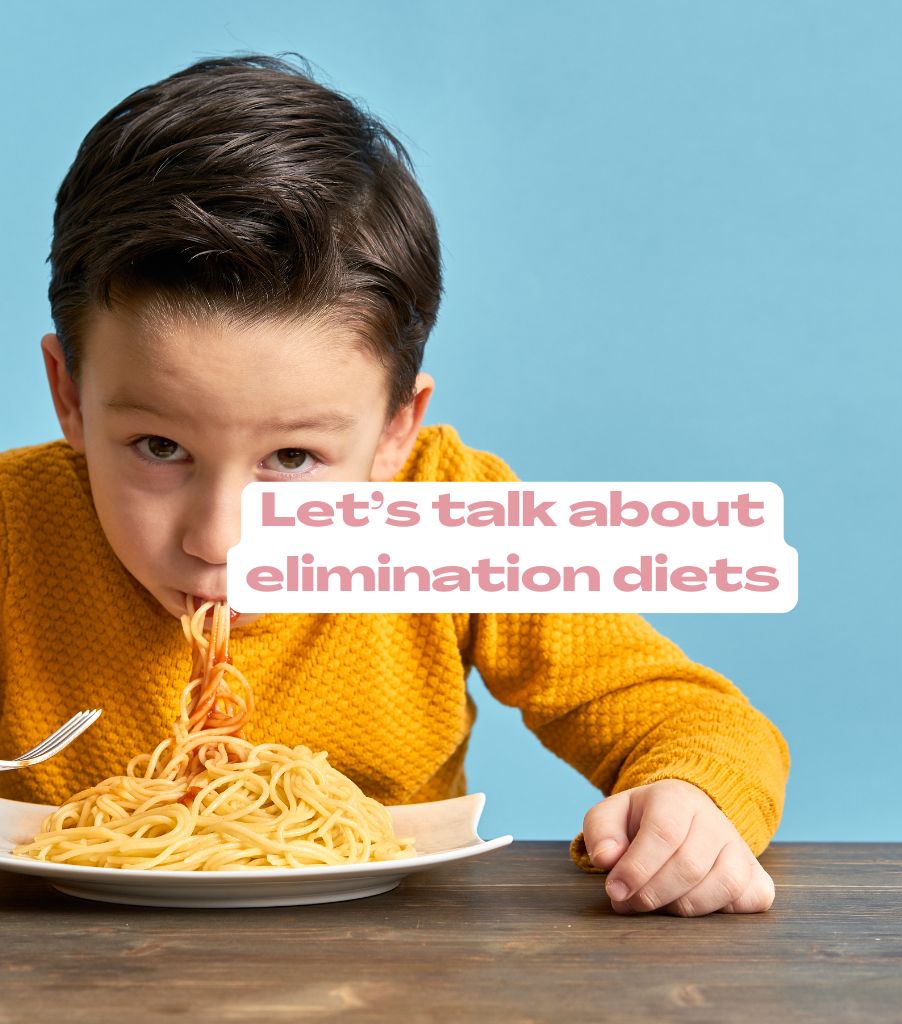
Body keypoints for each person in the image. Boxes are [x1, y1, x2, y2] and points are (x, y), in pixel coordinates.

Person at [0, 53, 789, 916]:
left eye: (292, 460)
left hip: (396, 976)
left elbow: (681, 713)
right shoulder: (15, 521)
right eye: (158, 446)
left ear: (392, 434)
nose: (218, 538)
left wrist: (692, 802)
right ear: (69, 397)